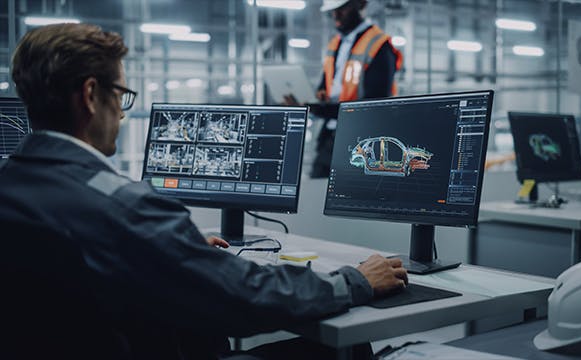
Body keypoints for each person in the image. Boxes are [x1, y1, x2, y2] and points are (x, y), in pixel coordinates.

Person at [0, 23, 408, 359]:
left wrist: (174, 248)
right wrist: (354, 280)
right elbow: (245, 297)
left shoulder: (13, 186)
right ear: (90, 96)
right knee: (347, 349)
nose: (122, 114)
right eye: (120, 96)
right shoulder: (123, 208)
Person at [308, 0, 403, 178]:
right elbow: (326, 84)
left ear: (360, 4)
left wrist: (323, 110)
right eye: (332, 11)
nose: (336, 16)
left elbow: (374, 104)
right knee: (315, 191)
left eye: (341, 9)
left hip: (361, 141)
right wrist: (315, 98)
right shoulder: (335, 44)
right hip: (330, 136)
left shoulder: (379, 46)